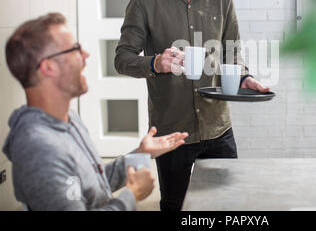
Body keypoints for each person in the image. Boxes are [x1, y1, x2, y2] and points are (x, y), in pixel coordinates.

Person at [114, 0, 270, 211]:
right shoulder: (144, 2)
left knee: (226, 204)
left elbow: (232, 52)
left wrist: (242, 78)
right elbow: (122, 59)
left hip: (218, 129)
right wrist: (156, 63)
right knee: (176, 205)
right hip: (171, 133)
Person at [2, 13, 188, 211]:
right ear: (48, 67)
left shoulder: (69, 119)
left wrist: (140, 154)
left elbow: (92, 184)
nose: (86, 54)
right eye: (74, 49)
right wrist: (131, 196)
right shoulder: (39, 149)